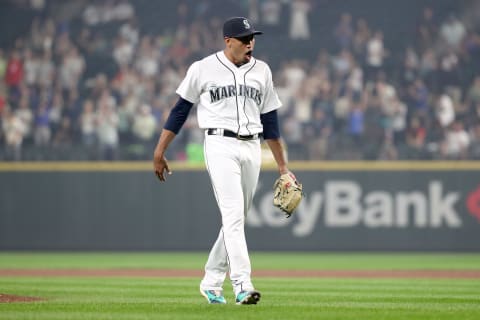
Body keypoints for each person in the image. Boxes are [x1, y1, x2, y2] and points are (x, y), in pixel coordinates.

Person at [153, 17, 290, 305]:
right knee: (232, 216)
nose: (250, 42)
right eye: (243, 38)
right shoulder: (203, 68)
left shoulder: (262, 70)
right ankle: (242, 284)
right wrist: (160, 150)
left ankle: (211, 281)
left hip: (252, 146)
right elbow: (180, 110)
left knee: (237, 219)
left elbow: (270, 122)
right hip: (219, 143)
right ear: (228, 41)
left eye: (252, 37)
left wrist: (283, 168)